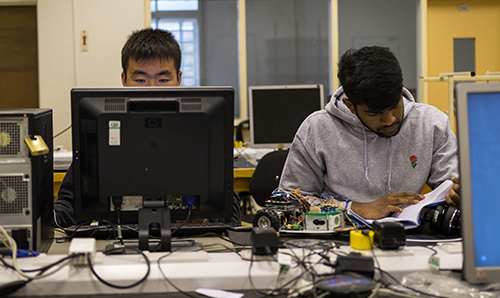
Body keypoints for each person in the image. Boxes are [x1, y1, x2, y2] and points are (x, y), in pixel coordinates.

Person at [54, 28, 240, 227]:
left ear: (179, 78)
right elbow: (69, 204)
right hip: (117, 245)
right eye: (140, 80)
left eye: (163, 79)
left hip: (188, 245)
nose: (152, 88)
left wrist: (207, 218)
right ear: (124, 79)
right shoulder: (101, 132)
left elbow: (231, 210)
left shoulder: (199, 132)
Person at [278, 46, 460, 220]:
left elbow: (452, 185)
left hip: (411, 238)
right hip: (339, 240)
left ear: (401, 84)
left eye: (394, 106)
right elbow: (288, 202)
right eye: (374, 113)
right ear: (350, 105)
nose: (389, 120)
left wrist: (459, 195)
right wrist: (355, 209)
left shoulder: (431, 123)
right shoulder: (317, 129)